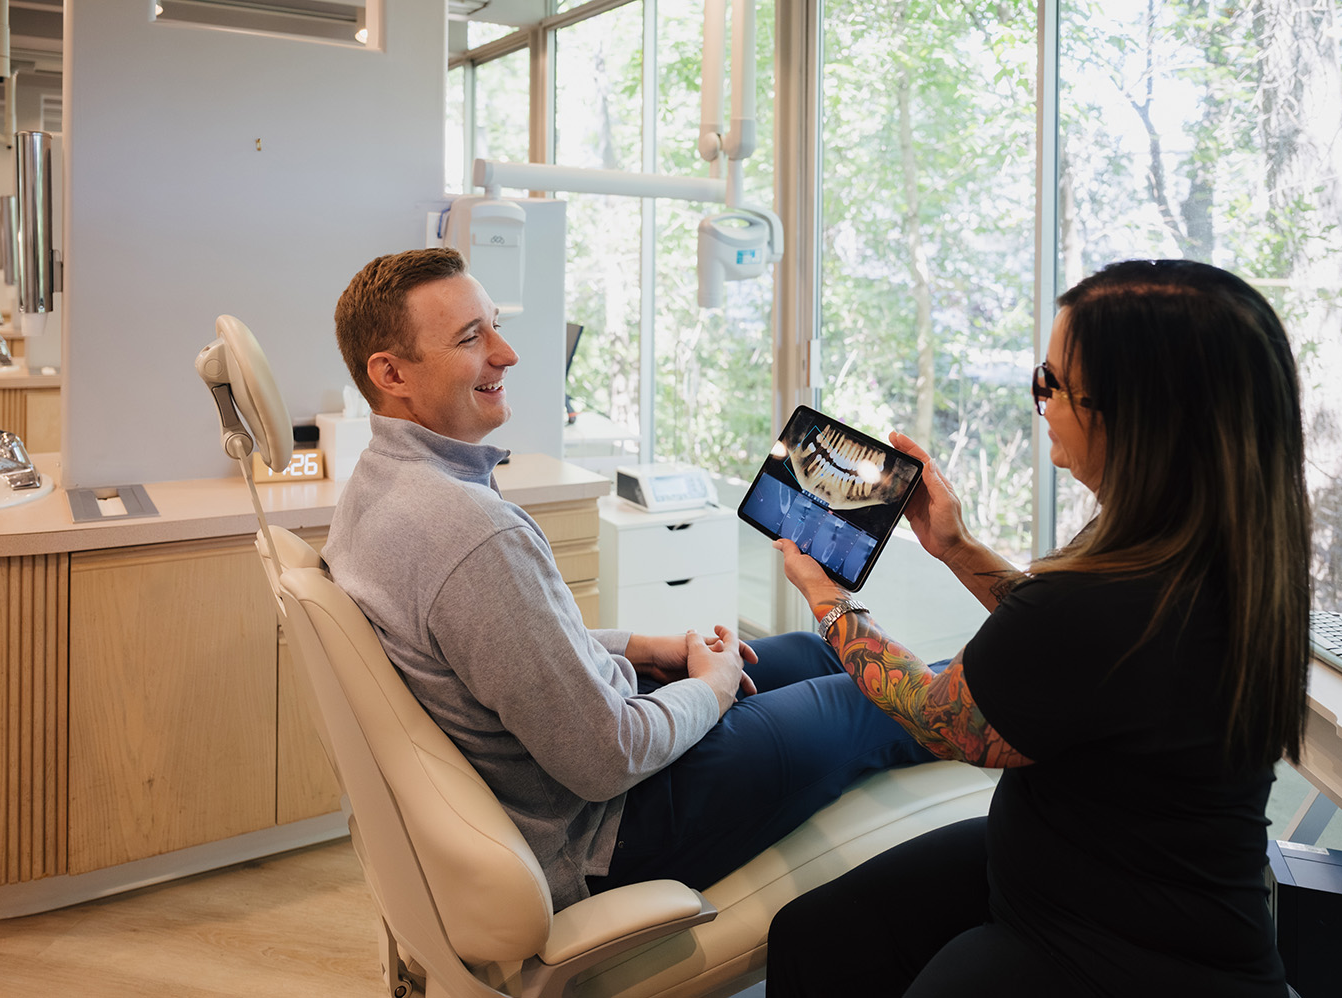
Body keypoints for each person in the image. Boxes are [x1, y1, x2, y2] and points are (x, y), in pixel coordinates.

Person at [322, 247, 934, 910]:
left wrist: (640, 648)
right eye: (472, 337)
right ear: (390, 372)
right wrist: (713, 687)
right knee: (873, 701)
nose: (507, 352)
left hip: (579, 762)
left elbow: (509, 654)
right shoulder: (468, 532)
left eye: (495, 325)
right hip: (608, 828)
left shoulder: (373, 489)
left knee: (820, 651)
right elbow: (604, 758)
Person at [765, 259, 1310, 997]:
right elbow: (1083, 655)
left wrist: (827, 599)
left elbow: (940, 720)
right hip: (1127, 886)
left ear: (1134, 414)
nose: (1040, 402)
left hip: (1107, 946)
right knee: (817, 935)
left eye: (1051, 384)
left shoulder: (1104, 596)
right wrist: (956, 547)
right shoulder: (1224, 553)